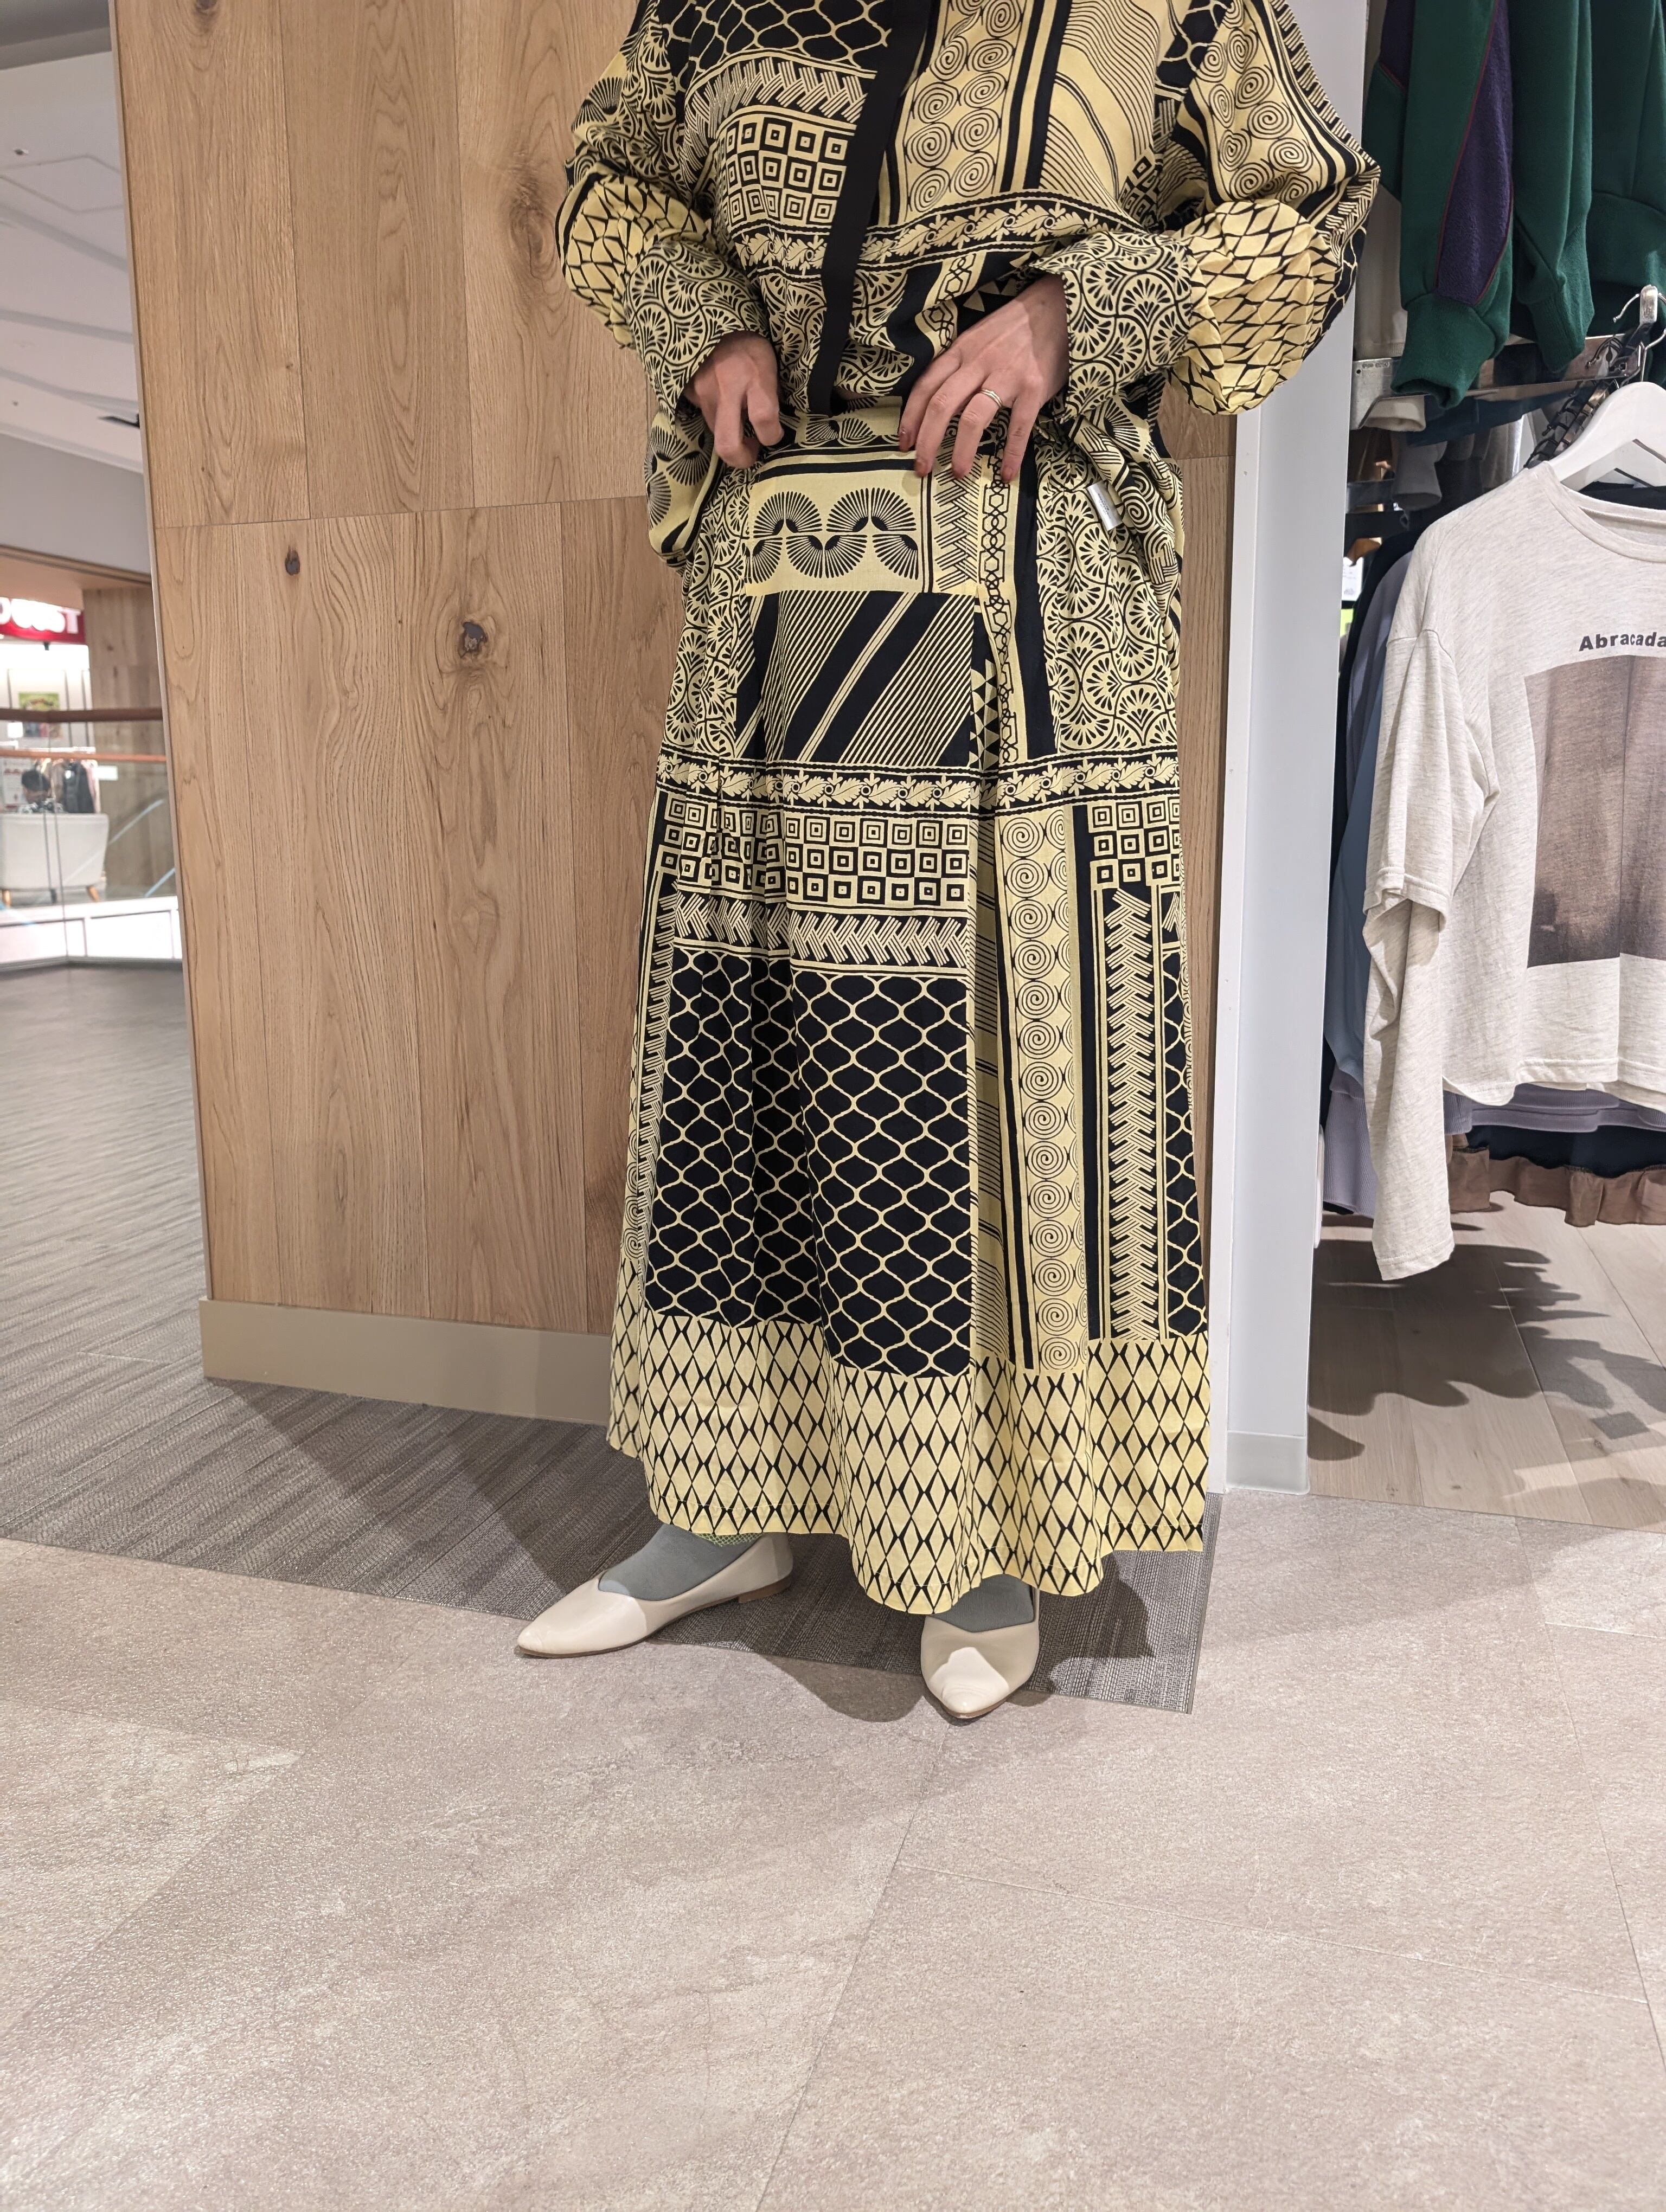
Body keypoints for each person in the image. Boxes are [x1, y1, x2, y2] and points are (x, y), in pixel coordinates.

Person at [519, 0, 1374, 1716]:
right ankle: (718, 1507)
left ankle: (984, 1532)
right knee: (747, 1047)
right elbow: (611, 184)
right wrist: (703, 319)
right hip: (778, 570)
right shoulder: (711, 2)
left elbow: (1314, 215)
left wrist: (1079, 312)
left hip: (1029, 581)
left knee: (995, 1052)